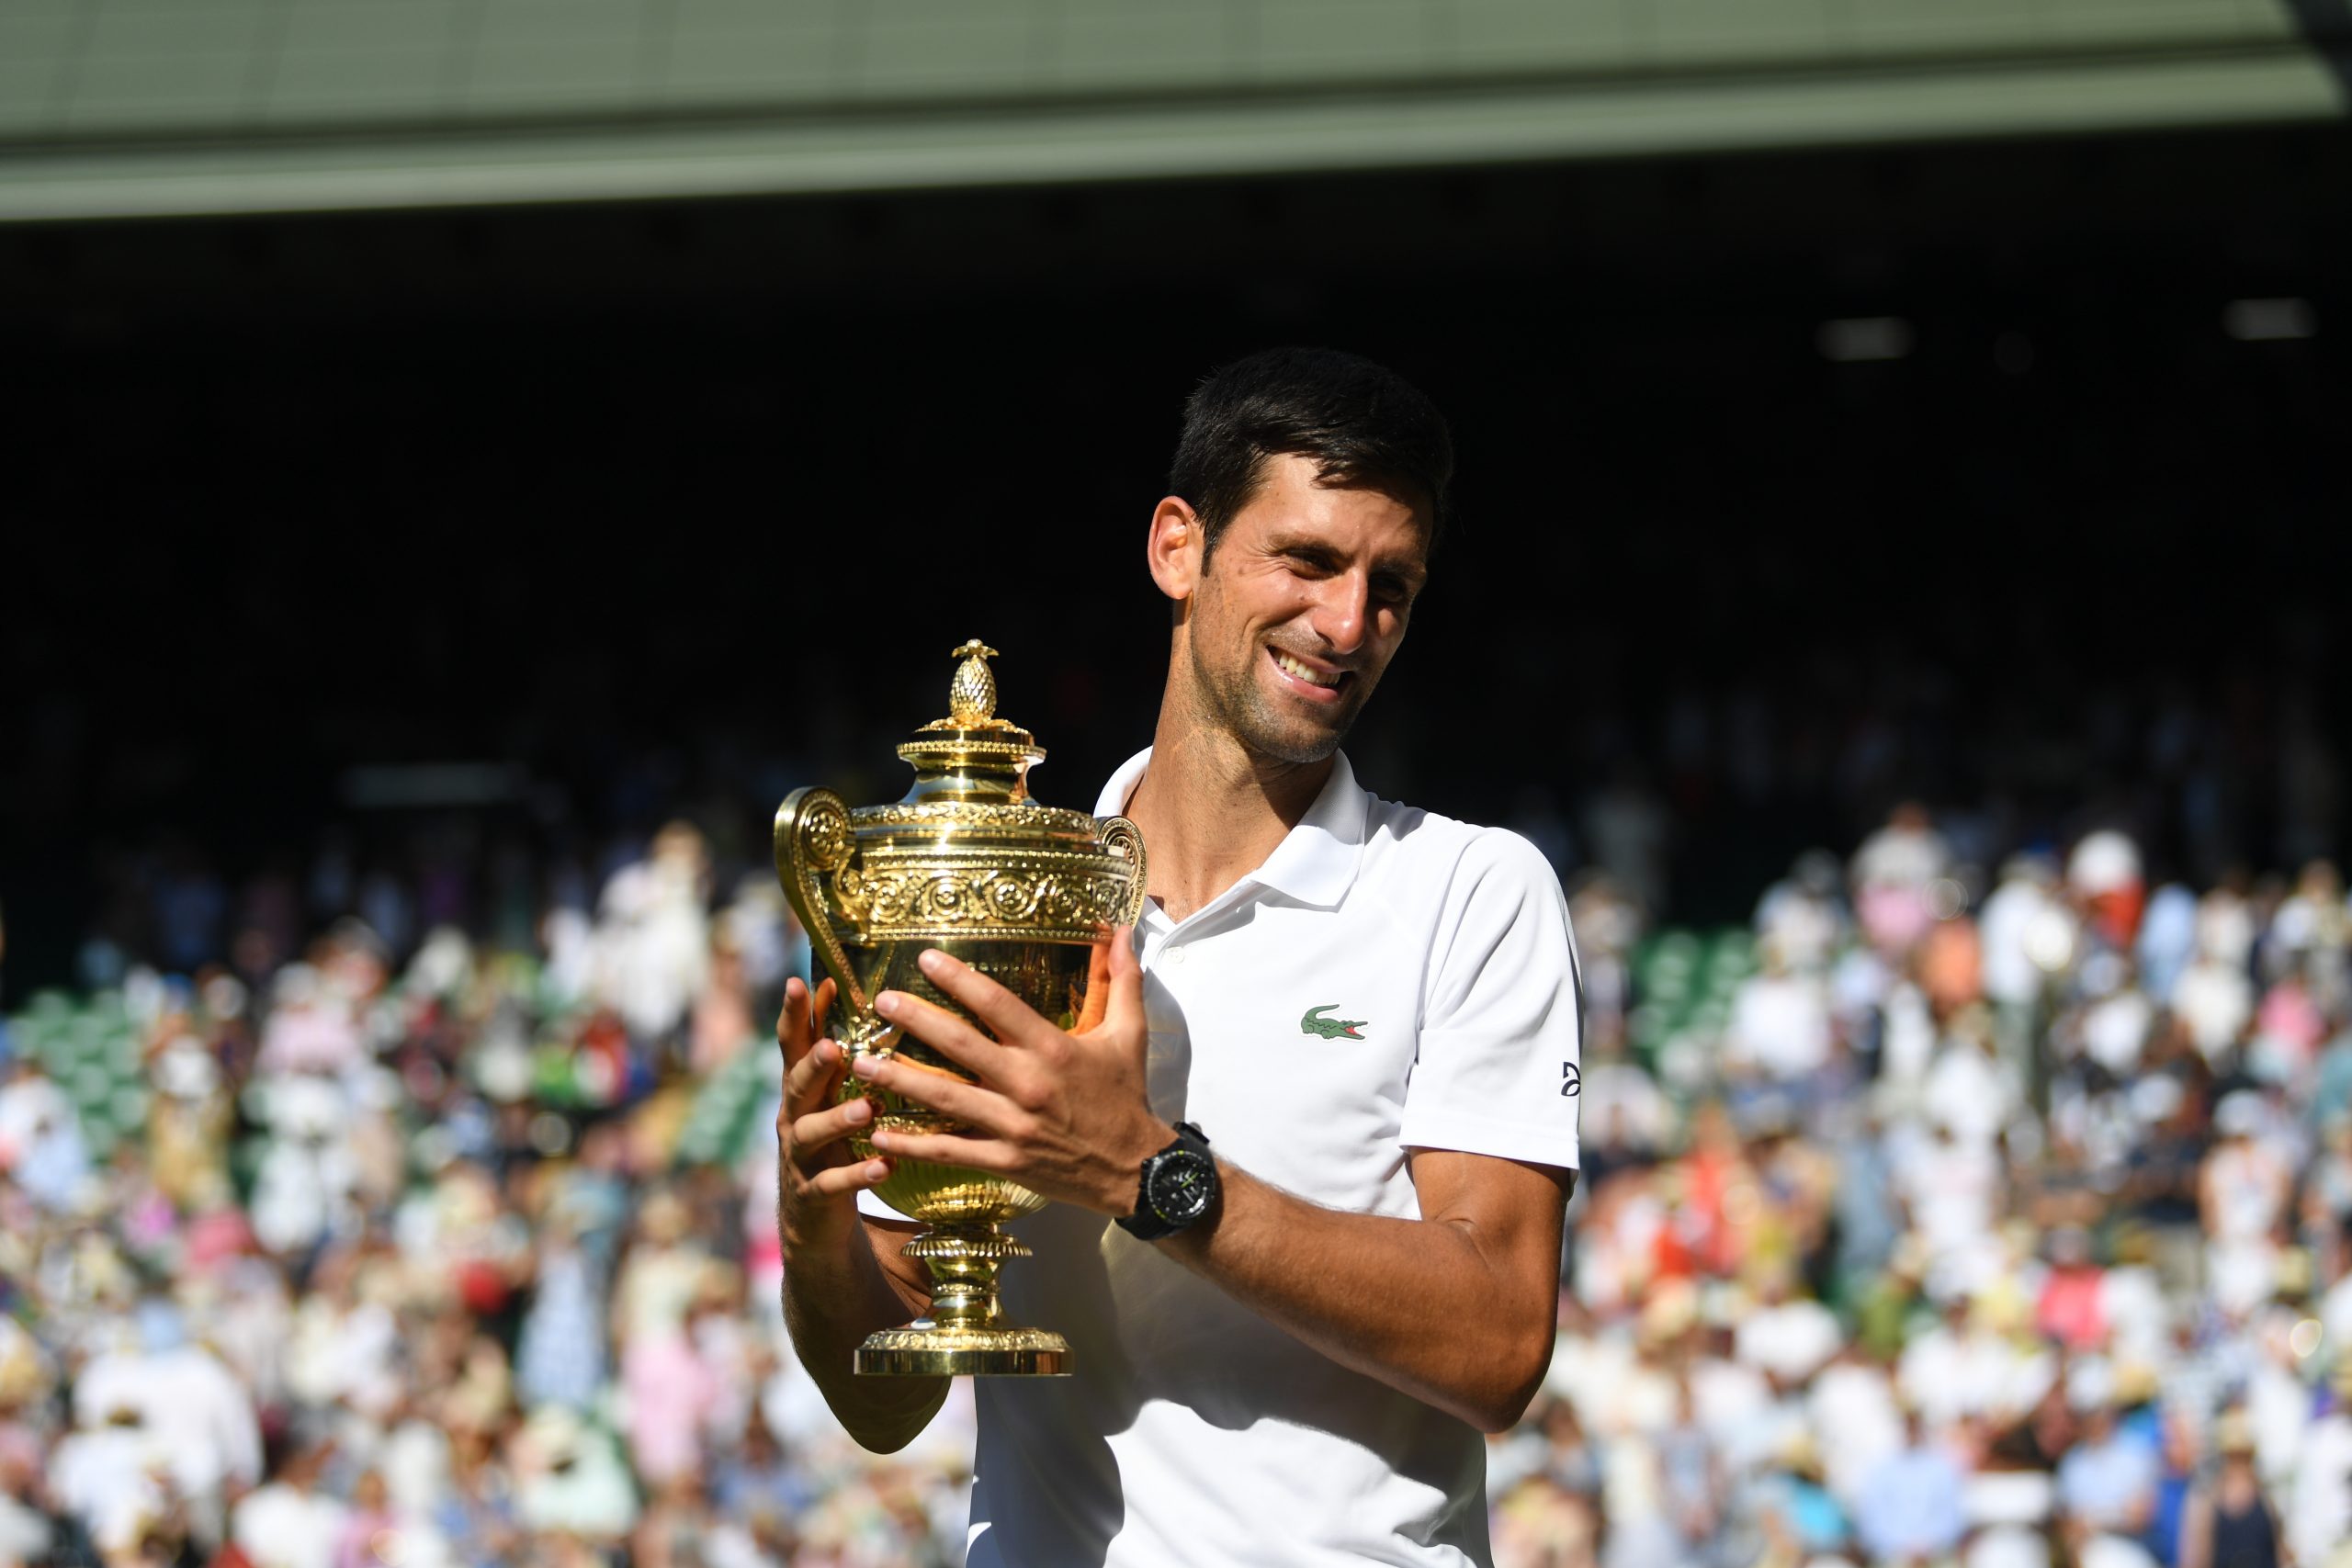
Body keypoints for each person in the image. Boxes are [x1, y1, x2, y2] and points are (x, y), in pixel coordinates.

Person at [775, 347, 1583, 1565]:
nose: (1347, 623)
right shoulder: (1002, 914)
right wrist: (812, 1230)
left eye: (1392, 589)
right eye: (1307, 561)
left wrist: (1150, 1176)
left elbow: (1500, 1347)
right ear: (1178, 549)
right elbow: (887, 1399)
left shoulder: (1471, 892)